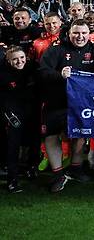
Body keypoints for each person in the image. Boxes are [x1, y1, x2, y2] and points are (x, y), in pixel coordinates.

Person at [39, 20, 94, 192]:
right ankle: (57, 174)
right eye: (76, 33)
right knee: (52, 135)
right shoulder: (56, 50)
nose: (80, 37)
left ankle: (76, 168)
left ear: (89, 34)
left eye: (84, 33)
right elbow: (42, 71)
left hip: (82, 102)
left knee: (80, 134)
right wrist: (59, 74)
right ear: (69, 33)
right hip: (56, 101)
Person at [1, 46, 40, 193]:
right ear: (8, 60)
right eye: (15, 59)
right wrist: (6, 113)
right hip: (13, 113)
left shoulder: (33, 67)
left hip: (32, 110)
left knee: (35, 140)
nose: (19, 61)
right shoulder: (2, 73)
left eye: (22, 57)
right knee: (13, 145)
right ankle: (12, 180)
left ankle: (32, 168)